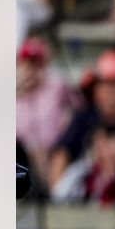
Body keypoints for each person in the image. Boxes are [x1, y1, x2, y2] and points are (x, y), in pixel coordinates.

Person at [48, 50, 115, 193]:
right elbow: (62, 154)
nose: (112, 93)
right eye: (106, 86)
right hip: (83, 198)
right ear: (95, 91)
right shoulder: (82, 119)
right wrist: (56, 196)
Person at [16, 37, 80, 191]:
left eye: (37, 65)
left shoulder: (56, 86)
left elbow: (79, 108)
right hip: (22, 157)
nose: (31, 70)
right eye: (27, 64)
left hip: (54, 152)